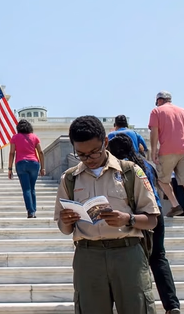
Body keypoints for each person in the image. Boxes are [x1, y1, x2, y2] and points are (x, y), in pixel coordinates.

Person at [55, 115, 159, 314]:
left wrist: (128, 219)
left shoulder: (130, 172)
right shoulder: (69, 178)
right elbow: (64, 229)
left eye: (94, 152)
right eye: (82, 155)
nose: (89, 159)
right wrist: (66, 221)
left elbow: (152, 219)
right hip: (88, 255)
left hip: (128, 253)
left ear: (105, 142)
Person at [108, 133, 181, 314]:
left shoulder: (120, 168)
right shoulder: (146, 164)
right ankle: (172, 305)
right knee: (159, 257)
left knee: (138, 261)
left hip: (137, 218)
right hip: (156, 214)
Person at [148, 91, 184, 226]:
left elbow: (154, 132)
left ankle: (175, 204)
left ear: (159, 100)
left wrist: (154, 151)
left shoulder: (156, 111)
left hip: (167, 151)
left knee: (161, 179)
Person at [8, 119, 45, 218]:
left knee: (26, 189)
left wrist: (10, 168)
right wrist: (43, 168)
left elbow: (12, 153)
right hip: (34, 163)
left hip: (21, 164)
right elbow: (41, 152)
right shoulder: (34, 137)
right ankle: (34, 210)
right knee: (32, 188)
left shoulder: (15, 137)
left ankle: (30, 211)